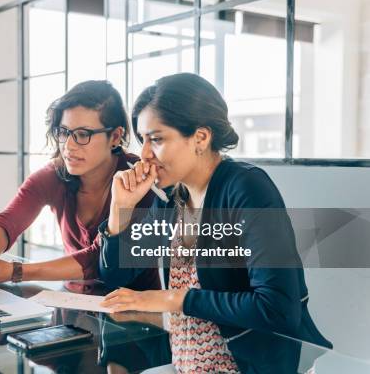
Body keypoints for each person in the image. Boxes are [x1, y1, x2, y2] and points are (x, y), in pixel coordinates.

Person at [97, 73, 332, 373]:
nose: (143, 154)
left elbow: (278, 308)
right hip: (185, 365)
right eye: (143, 139)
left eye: (156, 139)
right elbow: (115, 276)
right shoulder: (172, 197)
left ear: (200, 138)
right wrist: (120, 209)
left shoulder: (247, 189)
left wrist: (174, 298)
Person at [0, 80, 159, 296]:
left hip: (134, 318)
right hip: (73, 304)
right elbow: (7, 221)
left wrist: (14, 271)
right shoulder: (56, 174)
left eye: (83, 134)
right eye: (64, 132)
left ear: (114, 137)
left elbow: (98, 259)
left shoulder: (140, 181)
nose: (69, 146)